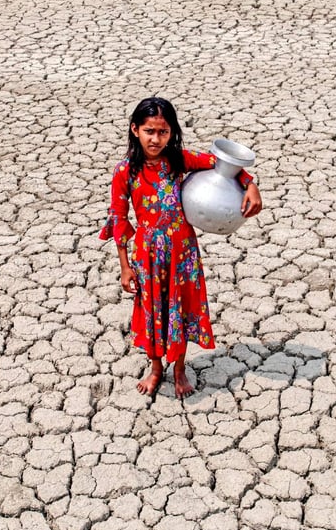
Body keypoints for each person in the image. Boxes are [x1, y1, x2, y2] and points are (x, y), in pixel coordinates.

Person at [100, 97, 262, 398]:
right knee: (153, 312)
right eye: (150, 131)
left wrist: (250, 183)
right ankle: (157, 368)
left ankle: (179, 369)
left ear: (172, 132)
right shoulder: (125, 172)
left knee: (180, 309)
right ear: (135, 130)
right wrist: (124, 266)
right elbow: (118, 221)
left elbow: (220, 164)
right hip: (147, 255)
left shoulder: (179, 160)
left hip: (182, 252)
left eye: (163, 132)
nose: (156, 138)